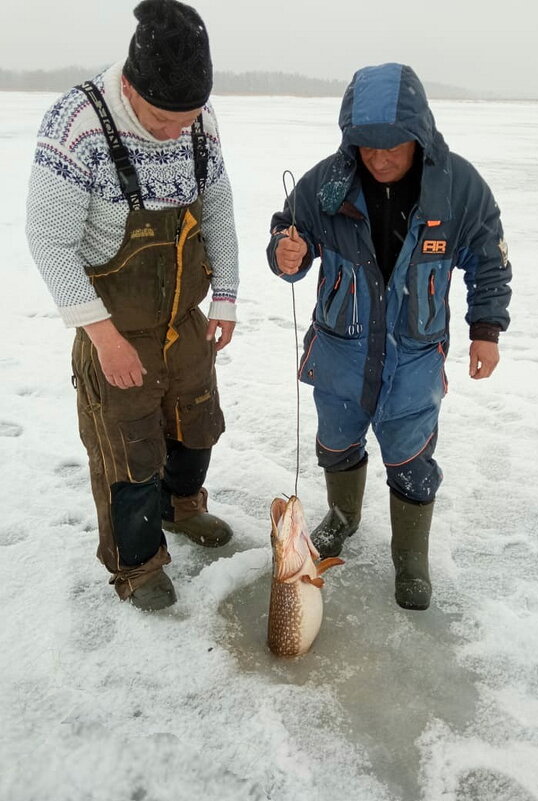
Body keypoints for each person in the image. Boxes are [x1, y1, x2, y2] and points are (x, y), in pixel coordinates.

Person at [267, 63, 511, 611]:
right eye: (365, 146)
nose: (378, 159)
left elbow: (489, 260)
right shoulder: (327, 183)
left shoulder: (457, 189)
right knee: (335, 444)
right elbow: (289, 236)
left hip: (415, 358)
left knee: (411, 457)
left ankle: (411, 560)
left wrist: (486, 330)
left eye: (392, 147)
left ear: (419, 135)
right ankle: (342, 517)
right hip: (340, 353)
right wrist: (287, 253)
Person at [26, 0, 239, 611]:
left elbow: (217, 202)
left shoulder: (199, 119)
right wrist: (103, 336)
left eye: (188, 119)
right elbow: (49, 240)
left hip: (184, 315)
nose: (176, 131)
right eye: (160, 119)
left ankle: (183, 507)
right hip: (113, 323)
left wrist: (224, 293)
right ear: (128, 85)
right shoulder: (77, 123)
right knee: (129, 448)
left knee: (195, 424)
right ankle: (137, 564)